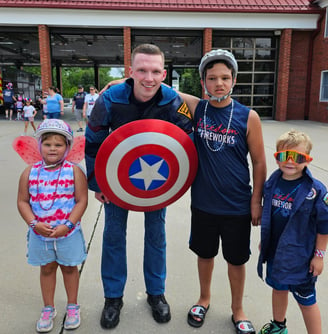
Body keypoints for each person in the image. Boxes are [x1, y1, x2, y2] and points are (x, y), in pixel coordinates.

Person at [84, 43, 193, 329]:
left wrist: (177, 182)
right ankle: (113, 297)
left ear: (164, 73)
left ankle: (156, 294)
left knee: (156, 235)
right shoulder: (110, 98)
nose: (149, 78)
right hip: (116, 181)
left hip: (157, 184)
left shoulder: (172, 100)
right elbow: (93, 140)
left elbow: (188, 139)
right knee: (113, 236)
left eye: (156, 71)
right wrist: (98, 183)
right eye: (142, 70)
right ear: (130, 71)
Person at [175, 49, 266, 334]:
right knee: (205, 254)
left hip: (237, 205)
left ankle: (238, 309)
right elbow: (161, 89)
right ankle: (204, 299)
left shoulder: (247, 116)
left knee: (236, 260)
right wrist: (123, 82)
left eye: (225, 78)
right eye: (212, 78)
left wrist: (256, 201)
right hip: (203, 203)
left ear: (234, 80)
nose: (219, 83)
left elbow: (260, 161)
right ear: (203, 82)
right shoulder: (197, 109)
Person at [17, 119, 88, 332]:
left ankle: (73, 306)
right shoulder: (29, 172)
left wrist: (68, 224)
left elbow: (81, 200)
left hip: (68, 233)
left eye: (58, 144)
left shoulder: (74, 171)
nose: (52, 149)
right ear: (39, 146)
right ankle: (48, 308)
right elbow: (22, 201)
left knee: (69, 268)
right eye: (47, 144)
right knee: (47, 269)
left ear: (67, 146)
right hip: (40, 234)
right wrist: (33, 223)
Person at [257, 130, 328, 334]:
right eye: (283, 156)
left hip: (301, 258)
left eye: (297, 157)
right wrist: (265, 239)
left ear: (308, 160)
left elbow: (324, 226)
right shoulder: (272, 183)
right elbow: (270, 215)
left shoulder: (317, 191)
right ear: (277, 157)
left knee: (306, 299)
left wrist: (319, 256)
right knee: (278, 288)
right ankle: (278, 326)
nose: (290, 162)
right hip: (277, 253)